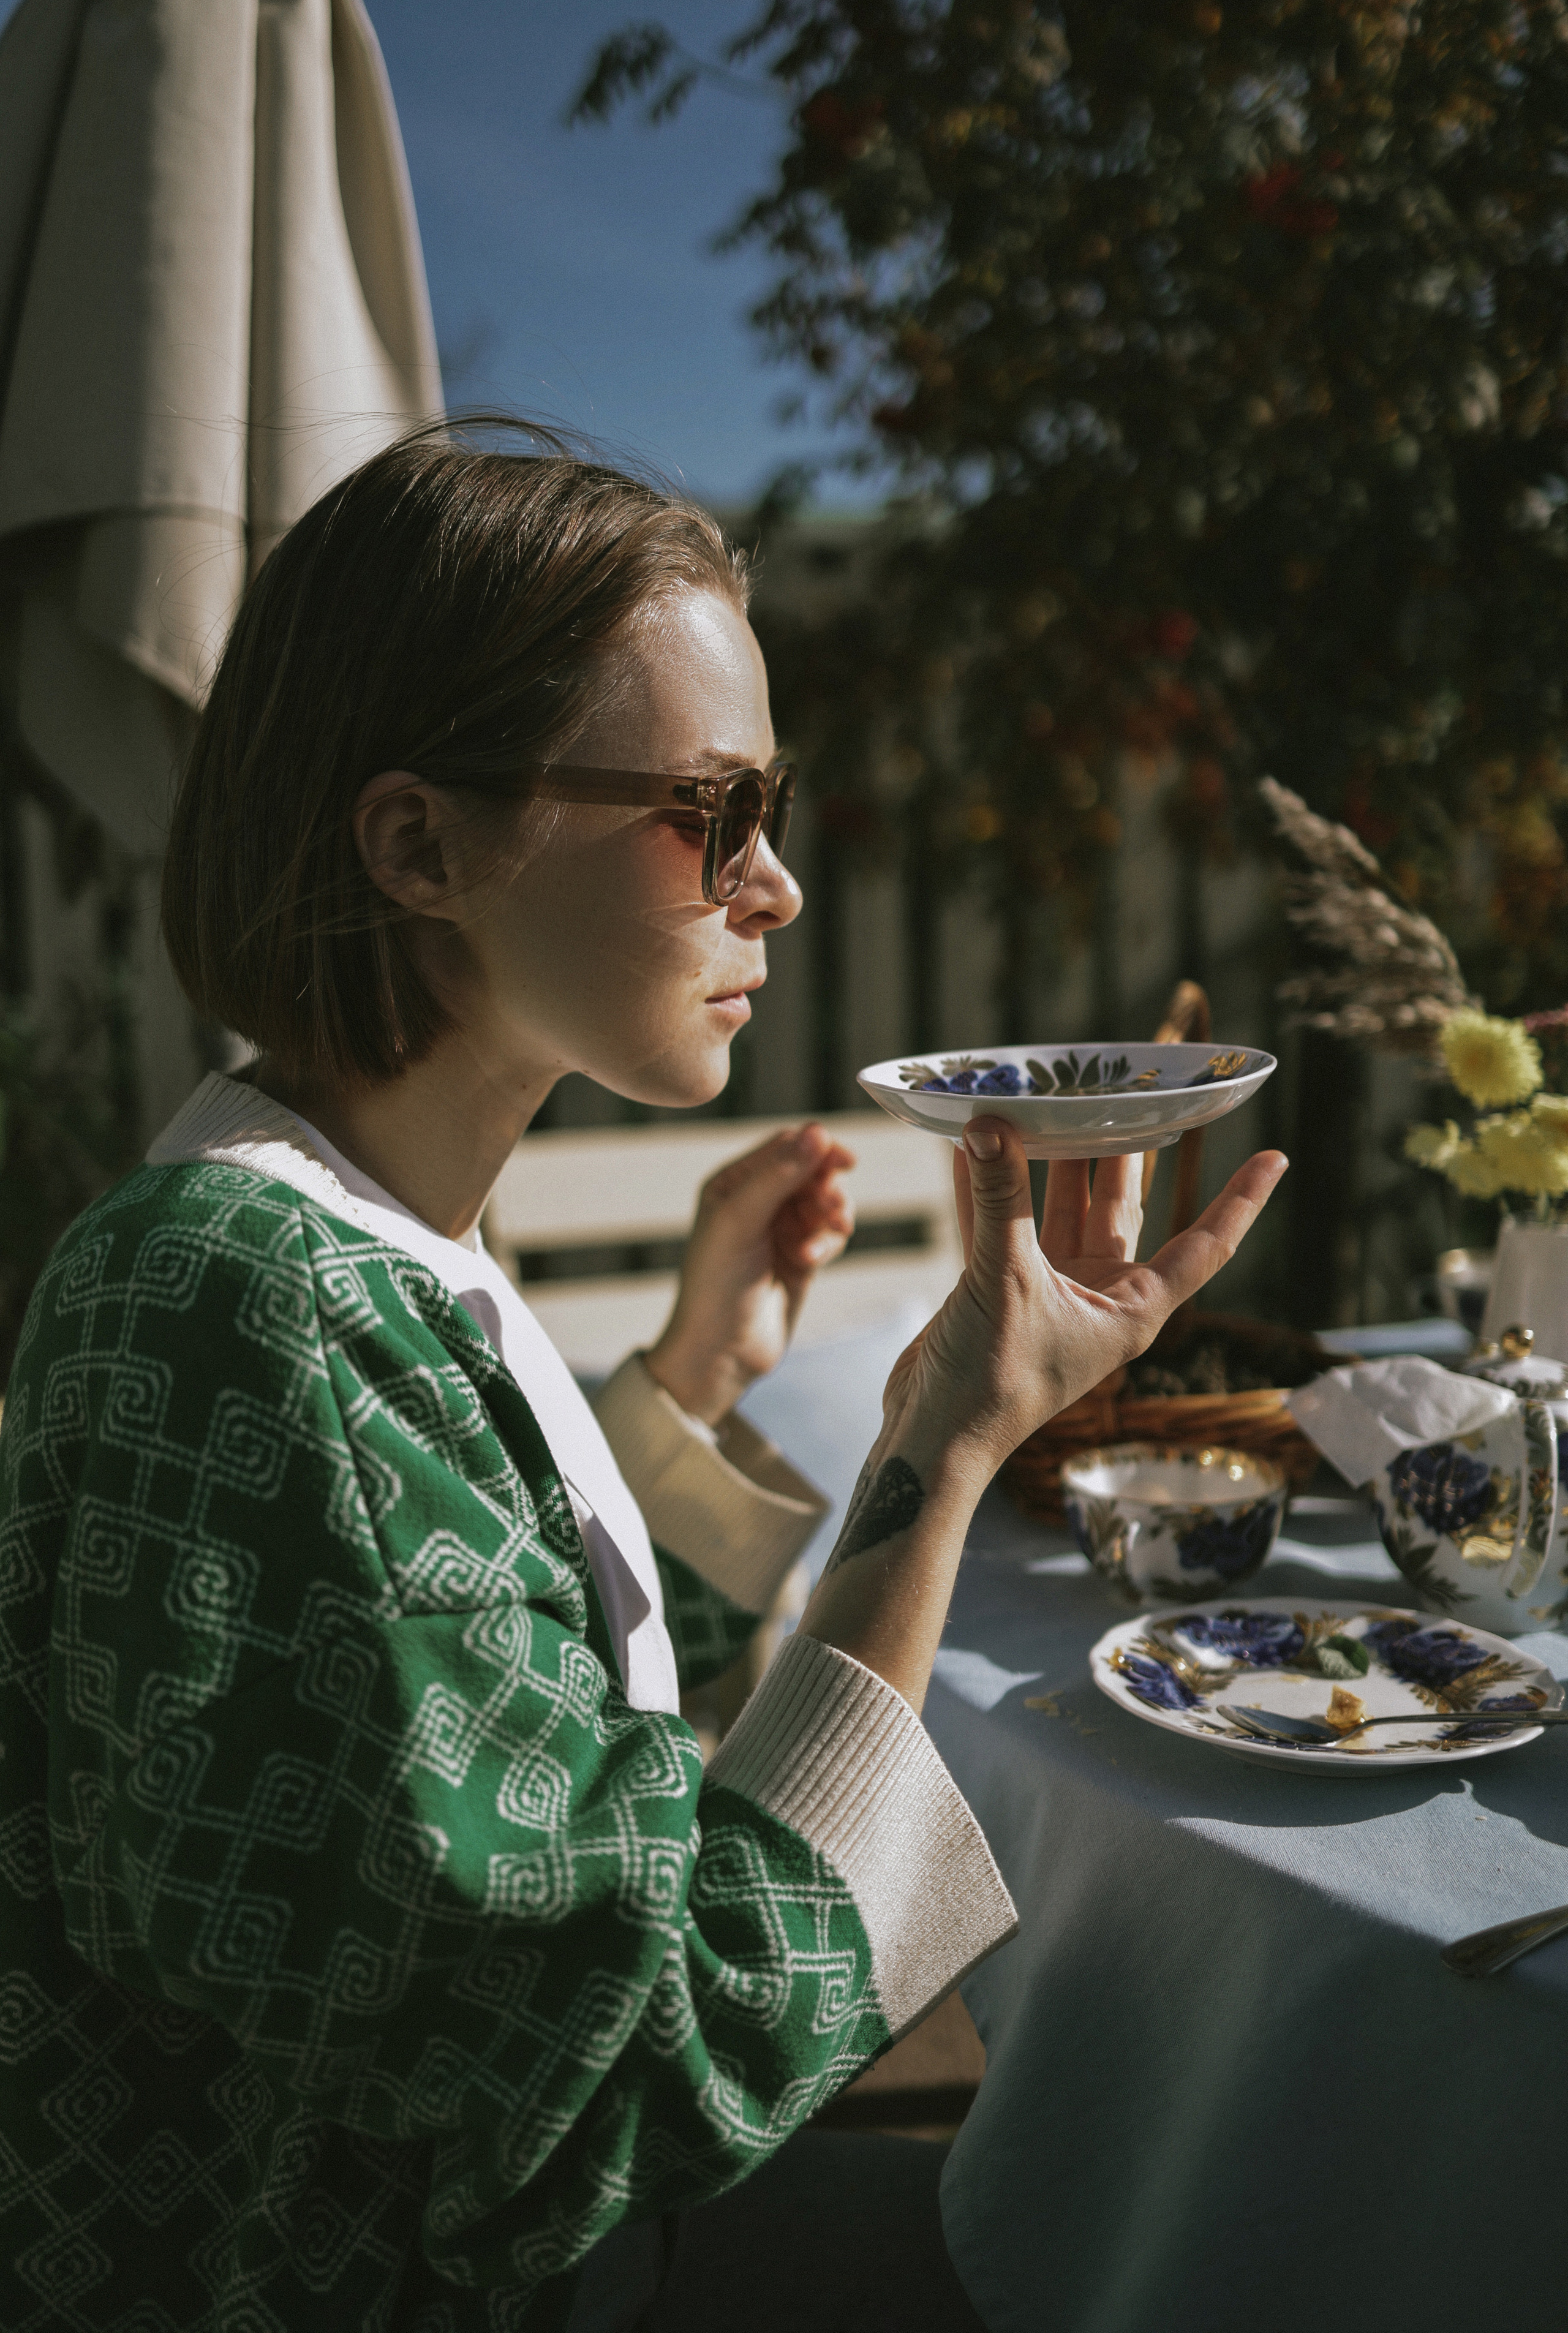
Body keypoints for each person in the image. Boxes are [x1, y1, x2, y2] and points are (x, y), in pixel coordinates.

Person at [0, 423, 1286, 2333]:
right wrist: (945, 1441)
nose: (772, 885)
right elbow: (654, 2050)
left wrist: (681, 1381)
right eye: (714, 810)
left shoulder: (362, 1241)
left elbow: (505, 1747)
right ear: (419, 841)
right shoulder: (239, 1307)